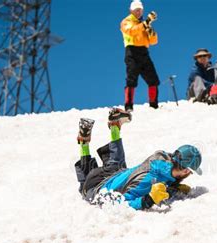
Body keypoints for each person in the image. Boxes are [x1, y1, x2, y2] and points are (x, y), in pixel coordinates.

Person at [74, 108, 203, 210]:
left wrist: (174, 188)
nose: (189, 174)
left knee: (118, 164)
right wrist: (148, 199)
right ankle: (84, 143)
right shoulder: (148, 179)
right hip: (95, 187)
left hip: (115, 175)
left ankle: (114, 126)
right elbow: (123, 201)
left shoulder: (163, 159)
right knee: (85, 189)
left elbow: (166, 176)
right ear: (186, 170)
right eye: (190, 171)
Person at [120, 0, 160, 111]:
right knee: (131, 79)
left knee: (153, 79)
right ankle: (128, 105)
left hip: (144, 52)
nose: (138, 12)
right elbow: (132, 31)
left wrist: (150, 31)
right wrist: (146, 22)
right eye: (136, 10)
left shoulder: (144, 23)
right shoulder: (126, 21)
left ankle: (153, 105)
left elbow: (153, 41)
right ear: (131, 10)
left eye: (140, 10)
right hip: (132, 52)